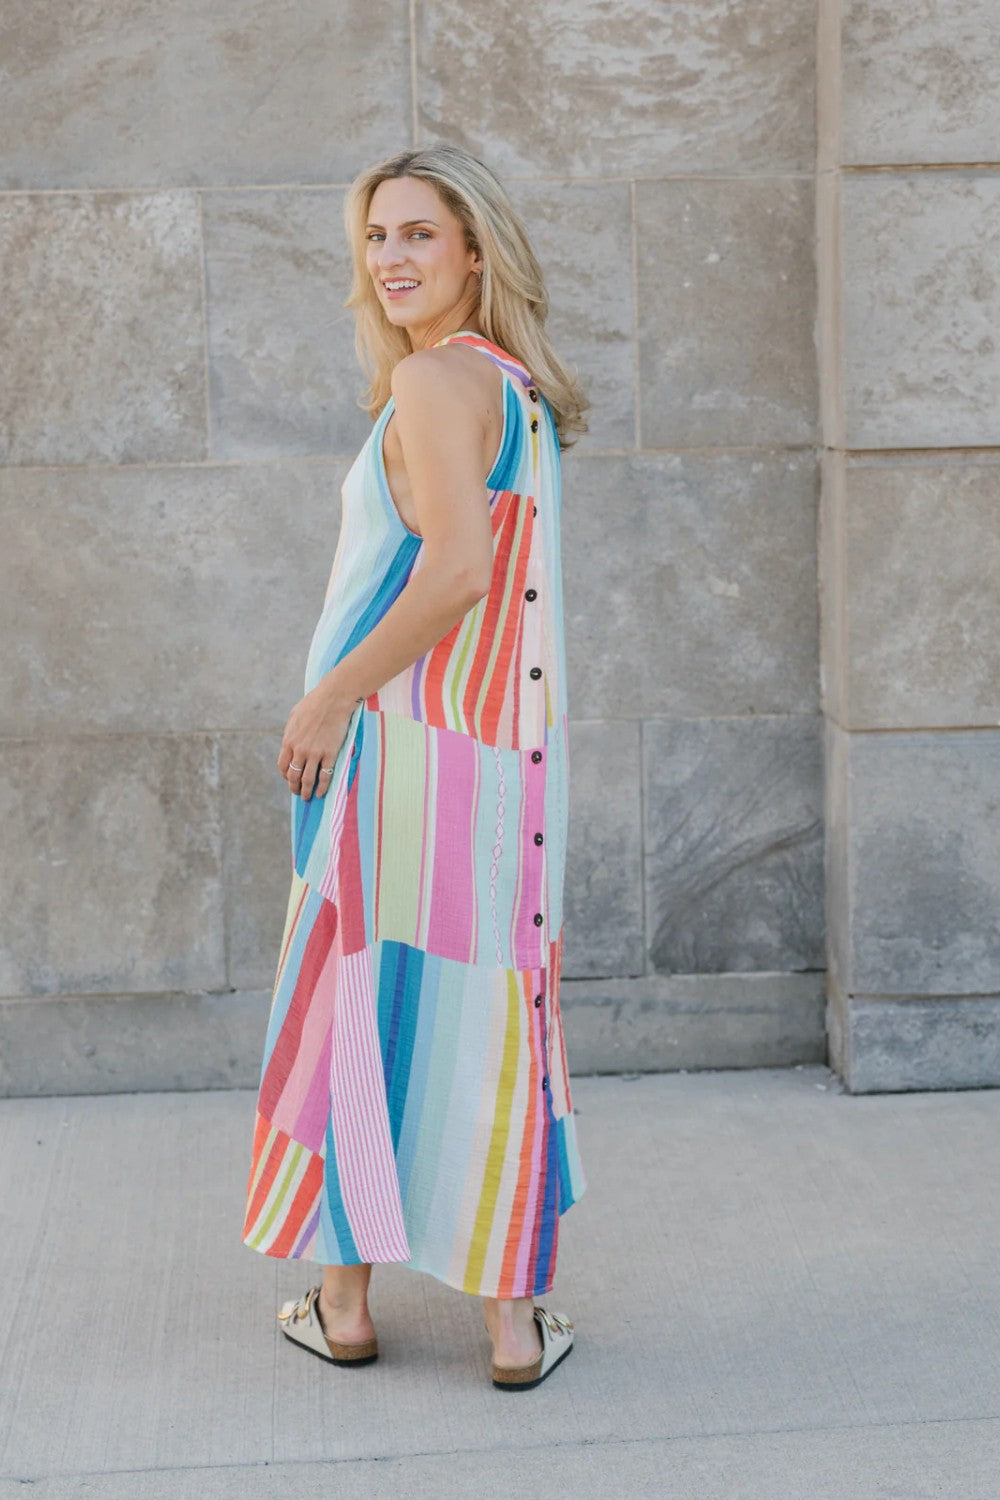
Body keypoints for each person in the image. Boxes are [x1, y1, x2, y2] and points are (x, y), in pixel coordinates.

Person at [241, 142, 590, 1391]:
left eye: (418, 234)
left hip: (398, 753)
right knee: (486, 1012)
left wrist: (329, 696)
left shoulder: (435, 381)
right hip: (500, 766)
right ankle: (509, 1328)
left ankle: (344, 1308)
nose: (390, 258)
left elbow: (455, 573)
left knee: (361, 1010)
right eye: (376, 237)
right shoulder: (515, 392)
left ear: (476, 253)